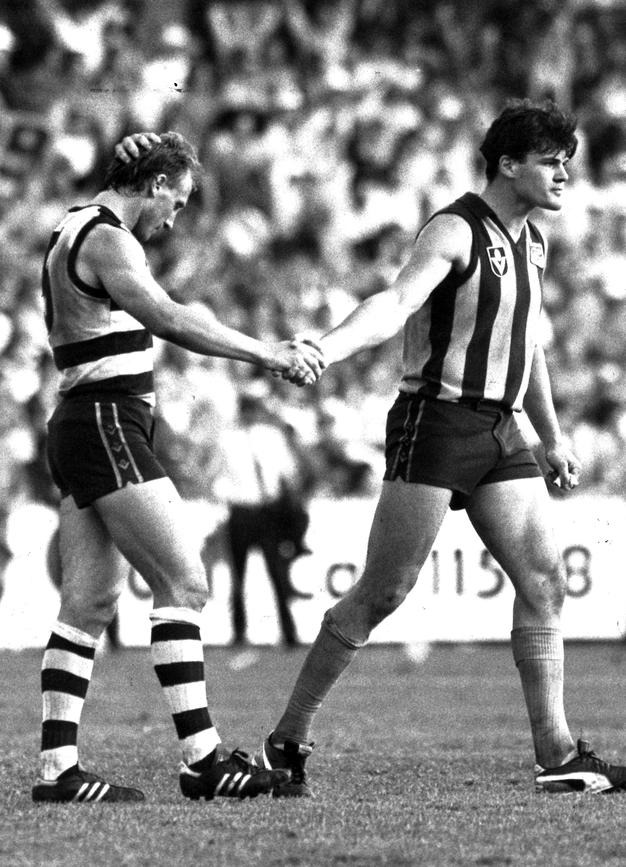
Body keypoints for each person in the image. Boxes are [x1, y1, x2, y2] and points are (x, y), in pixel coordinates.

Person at [258, 99, 626, 797]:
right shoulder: (455, 229)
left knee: (545, 580)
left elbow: (530, 342)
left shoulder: (534, 242)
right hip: (438, 421)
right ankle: (288, 736)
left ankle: (557, 752)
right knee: (384, 590)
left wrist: (550, 436)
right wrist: (324, 349)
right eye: (550, 163)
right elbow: (394, 304)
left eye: (568, 165)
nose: (564, 177)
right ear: (508, 164)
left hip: (502, 430)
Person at [32, 130, 324, 804]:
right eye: (179, 201)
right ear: (156, 184)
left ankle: (58, 770)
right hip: (106, 420)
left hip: (85, 422)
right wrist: (267, 353)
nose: (177, 216)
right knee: (185, 582)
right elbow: (166, 316)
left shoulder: (74, 226)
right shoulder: (108, 237)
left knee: (89, 603)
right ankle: (202, 759)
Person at [214, 393, 312, 648]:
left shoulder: (270, 437)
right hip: (242, 509)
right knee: (239, 574)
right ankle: (239, 632)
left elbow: (288, 472)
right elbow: (219, 476)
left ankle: (289, 632)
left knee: (276, 573)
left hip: (266, 511)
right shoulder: (228, 439)